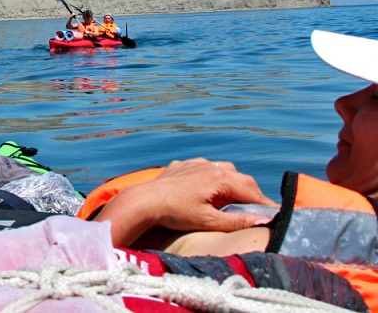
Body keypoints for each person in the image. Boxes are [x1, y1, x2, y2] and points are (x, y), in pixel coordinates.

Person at [78, 29, 378, 309]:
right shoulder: (336, 232)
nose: (343, 102)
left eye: (376, 97)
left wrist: (138, 204)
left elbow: (61, 281)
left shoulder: (298, 252)